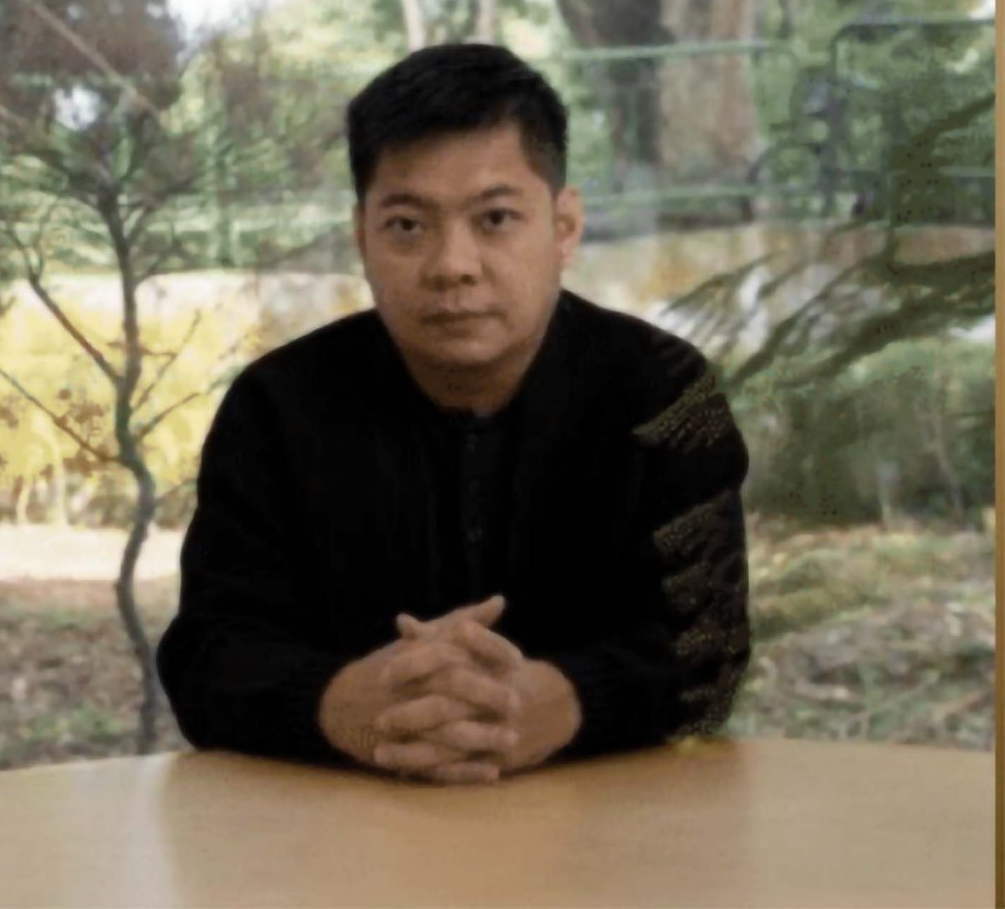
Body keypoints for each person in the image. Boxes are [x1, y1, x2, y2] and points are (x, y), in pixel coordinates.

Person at [156, 42, 752, 786]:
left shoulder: (664, 392)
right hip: (340, 827)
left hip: (606, 825)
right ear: (362, 236)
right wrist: (339, 703)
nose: (452, 266)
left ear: (564, 227)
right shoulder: (276, 407)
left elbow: (711, 651)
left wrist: (558, 701)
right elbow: (206, 655)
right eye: (408, 226)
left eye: (495, 218)